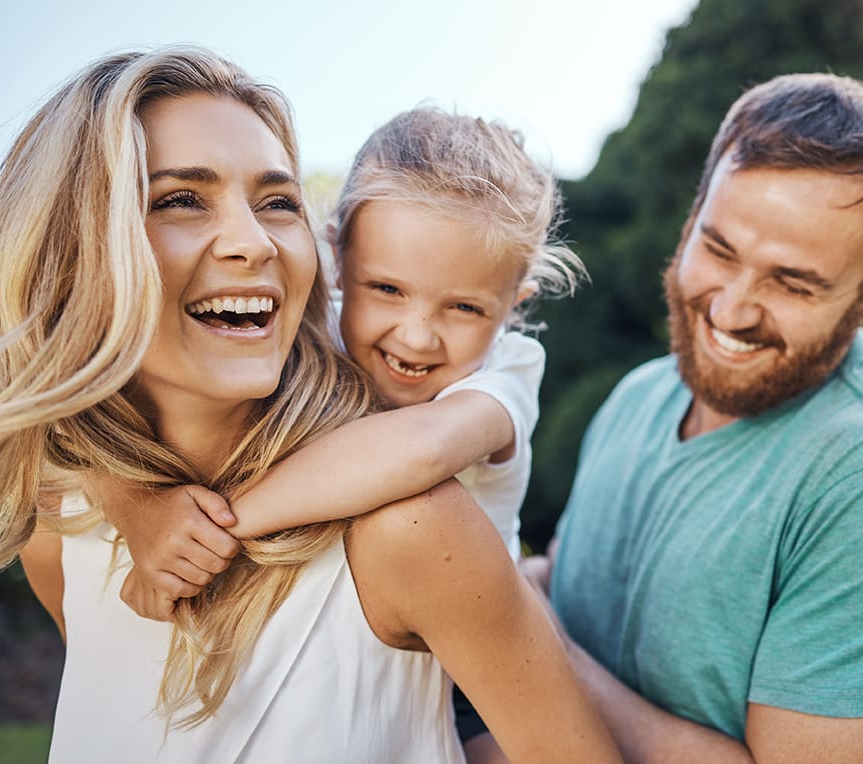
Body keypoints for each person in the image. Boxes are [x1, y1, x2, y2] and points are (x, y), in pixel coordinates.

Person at [0, 46, 620, 764]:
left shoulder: (414, 520)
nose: (253, 243)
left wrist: (220, 529)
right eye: (181, 199)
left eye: (275, 201)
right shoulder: (64, 520)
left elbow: (425, 445)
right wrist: (132, 498)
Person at [516, 73, 863, 764]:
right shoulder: (636, 398)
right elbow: (564, 591)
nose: (733, 309)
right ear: (692, 219)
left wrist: (521, 640)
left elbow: (534, 631)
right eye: (718, 250)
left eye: (793, 282)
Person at [106, 106, 581, 625]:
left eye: (465, 308)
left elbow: (420, 448)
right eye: (386, 290)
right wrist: (137, 508)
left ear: (515, 304)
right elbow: (85, 412)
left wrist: (210, 529)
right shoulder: (304, 333)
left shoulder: (507, 369)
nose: (417, 336)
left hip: (471, 654)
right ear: (336, 254)